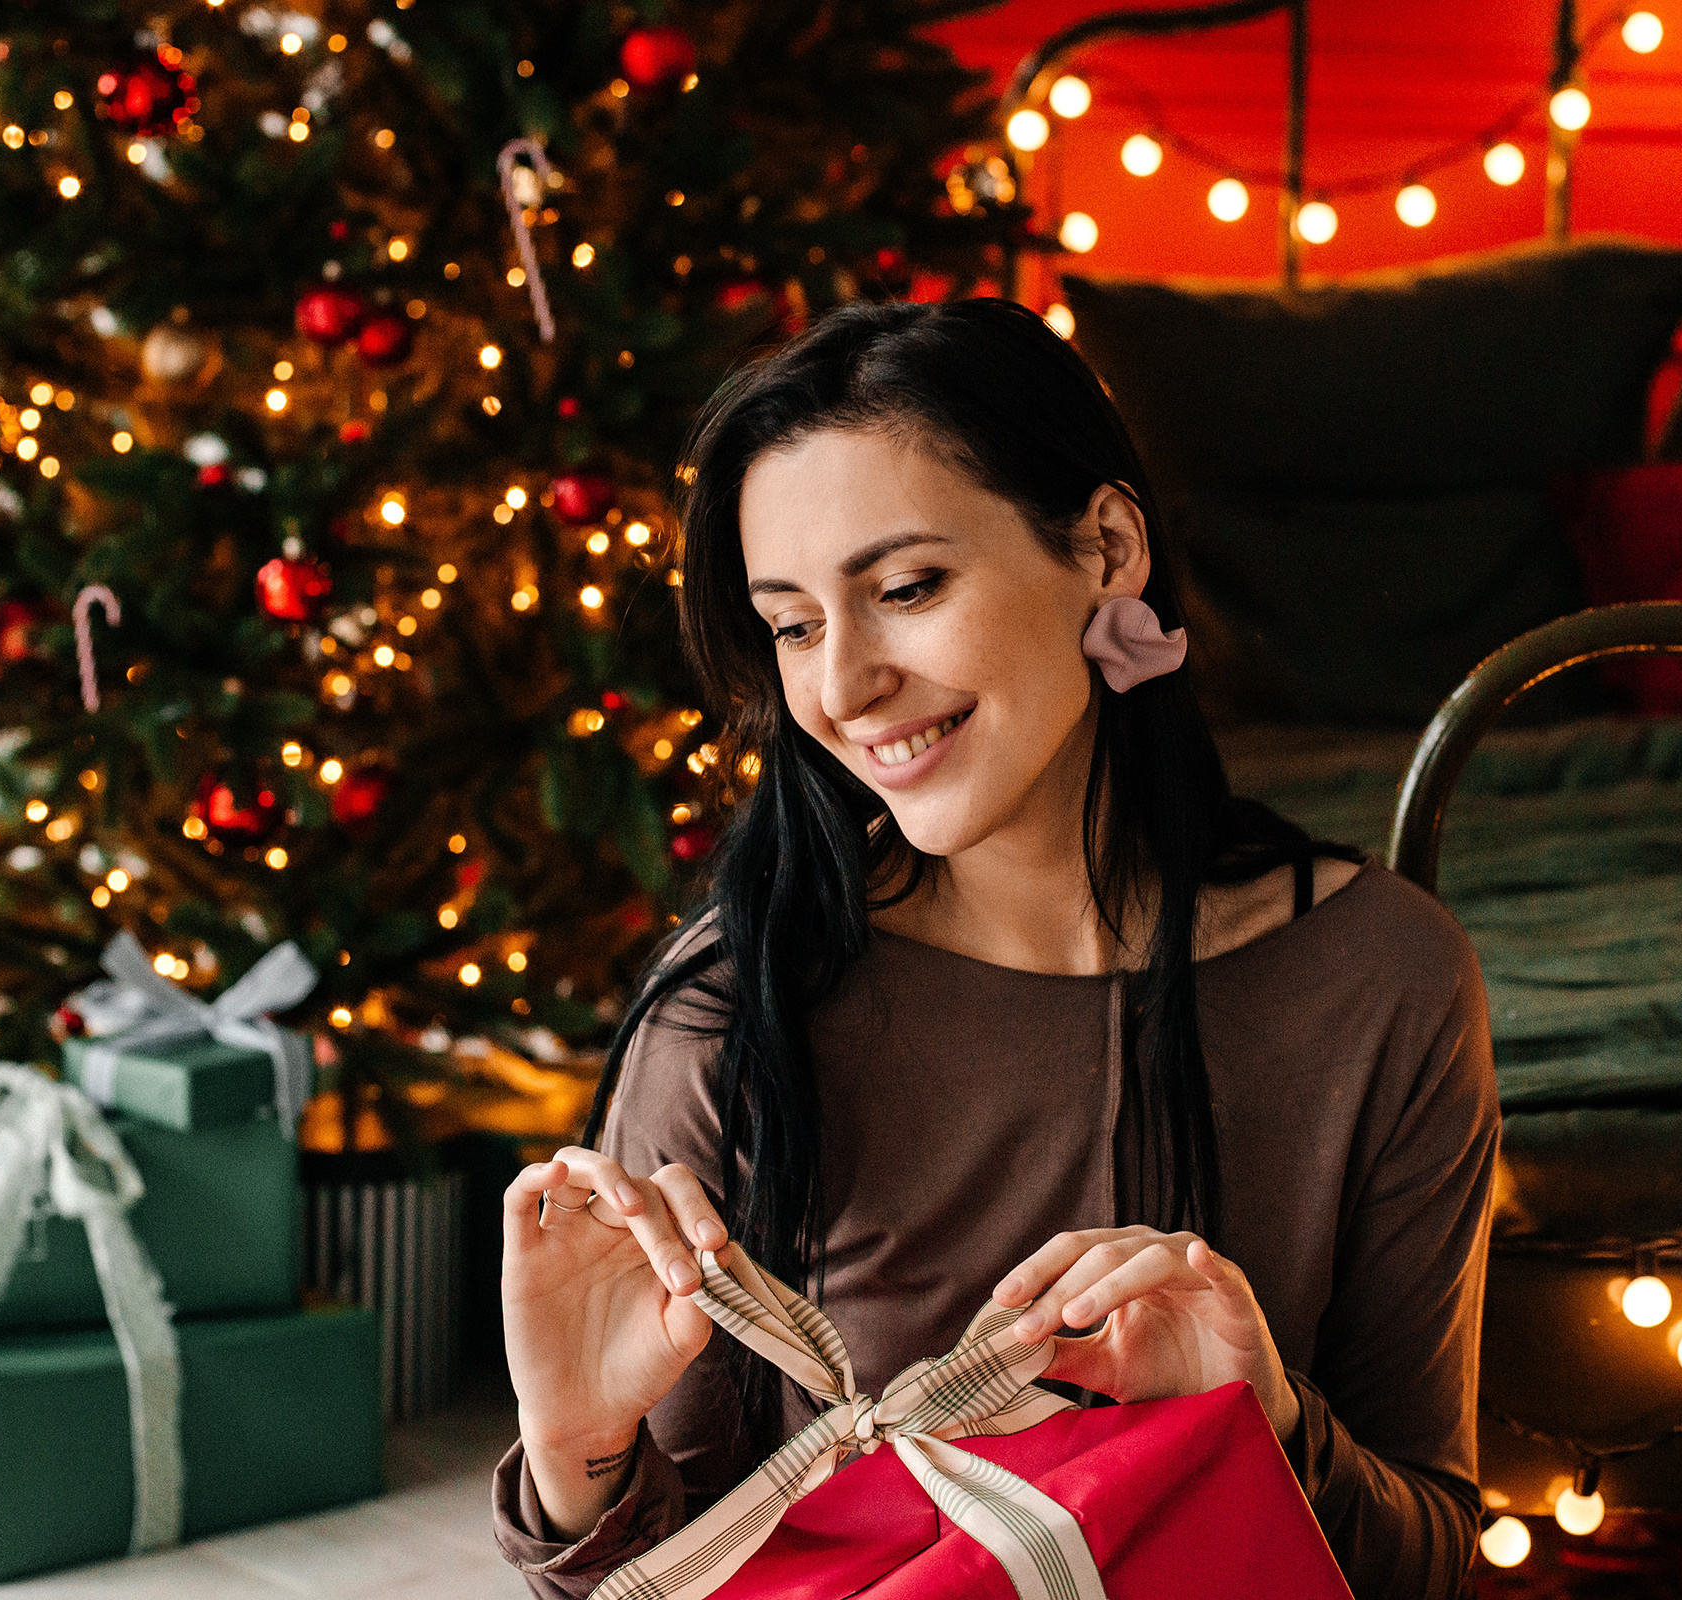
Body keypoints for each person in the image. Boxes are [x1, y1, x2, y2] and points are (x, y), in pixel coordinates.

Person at [491, 298, 1499, 1599]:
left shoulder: (1382, 980)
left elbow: (1426, 1569)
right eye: (794, 623)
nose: (844, 686)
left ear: (1108, 548)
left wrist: (1275, 1424)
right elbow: (677, 1580)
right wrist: (577, 1453)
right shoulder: (738, 1014)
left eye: (907, 588)